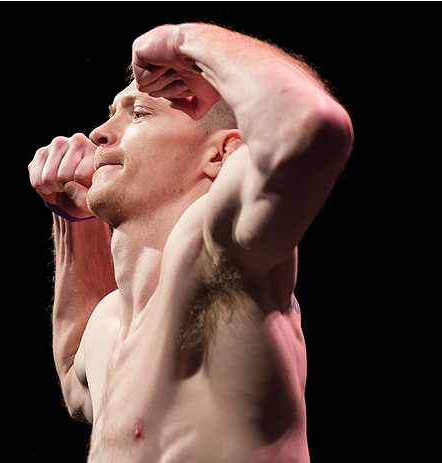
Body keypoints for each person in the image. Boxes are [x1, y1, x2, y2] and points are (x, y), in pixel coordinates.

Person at [28, 22, 352, 462]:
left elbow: (316, 123)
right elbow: (73, 380)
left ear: (222, 155)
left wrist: (187, 43)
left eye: (138, 114)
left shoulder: (216, 252)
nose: (99, 134)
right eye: (110, 113)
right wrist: (71, 215)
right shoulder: (110, 321)